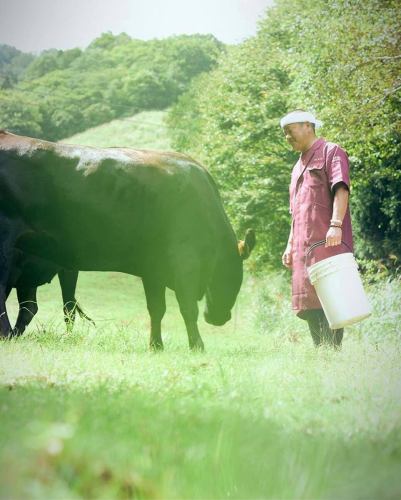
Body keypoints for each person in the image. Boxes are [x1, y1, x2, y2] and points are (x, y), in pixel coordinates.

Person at [280, 110, 353, 348]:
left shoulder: (332, 151)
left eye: (290, 131)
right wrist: (290, 244)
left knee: (331, 299)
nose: (287, 137)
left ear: (307, 126)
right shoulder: (296, 166)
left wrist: (335, 225)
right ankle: (321, 351)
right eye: (284, 134)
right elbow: (295, 212)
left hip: (327, 241)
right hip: (303, 248)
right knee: (309, 303)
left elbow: (341, 189)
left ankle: (333, 350)